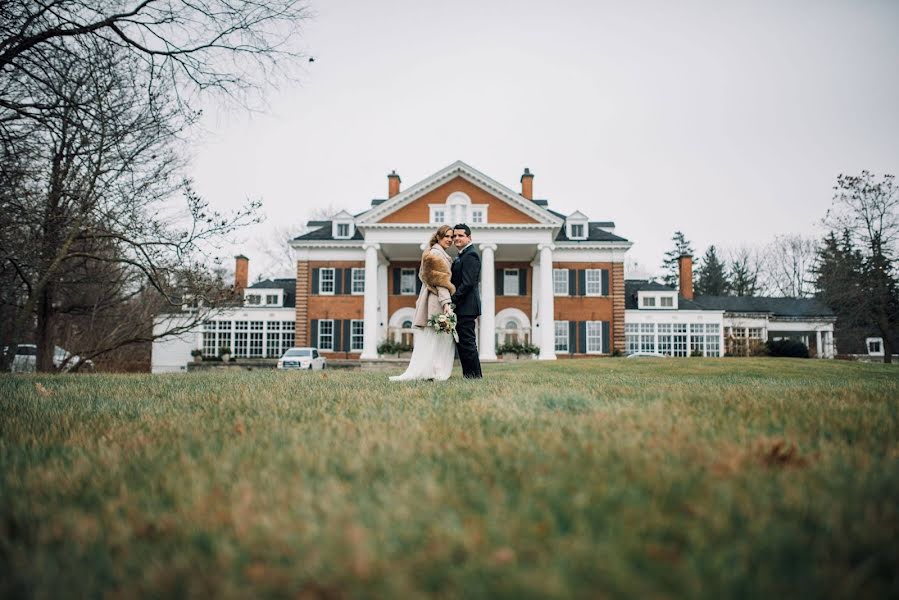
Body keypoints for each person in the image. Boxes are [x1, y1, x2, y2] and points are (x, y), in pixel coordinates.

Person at [389, 225, 457, 381]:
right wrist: (447, 303)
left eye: (451, 237)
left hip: (434, 299)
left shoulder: (436, 253)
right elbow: (440, 282)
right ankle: (433, 372)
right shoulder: (435, 254)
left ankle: (431, 371)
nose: (450, 240)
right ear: (439, 237)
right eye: (446, 236)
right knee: (437, 337)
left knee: (435, 337)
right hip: (436, 301)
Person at [450, 223, 483, 379]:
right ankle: (469, 375)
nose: (456, 238)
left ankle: (474, 376)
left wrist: (452, 301)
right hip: (463, 307)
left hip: (467, 307)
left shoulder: (471, 255)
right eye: (455, 235)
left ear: (469, 237)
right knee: (463, 343)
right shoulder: (462, 255)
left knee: (468, 343)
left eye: (460, 235)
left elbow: (468, 283)